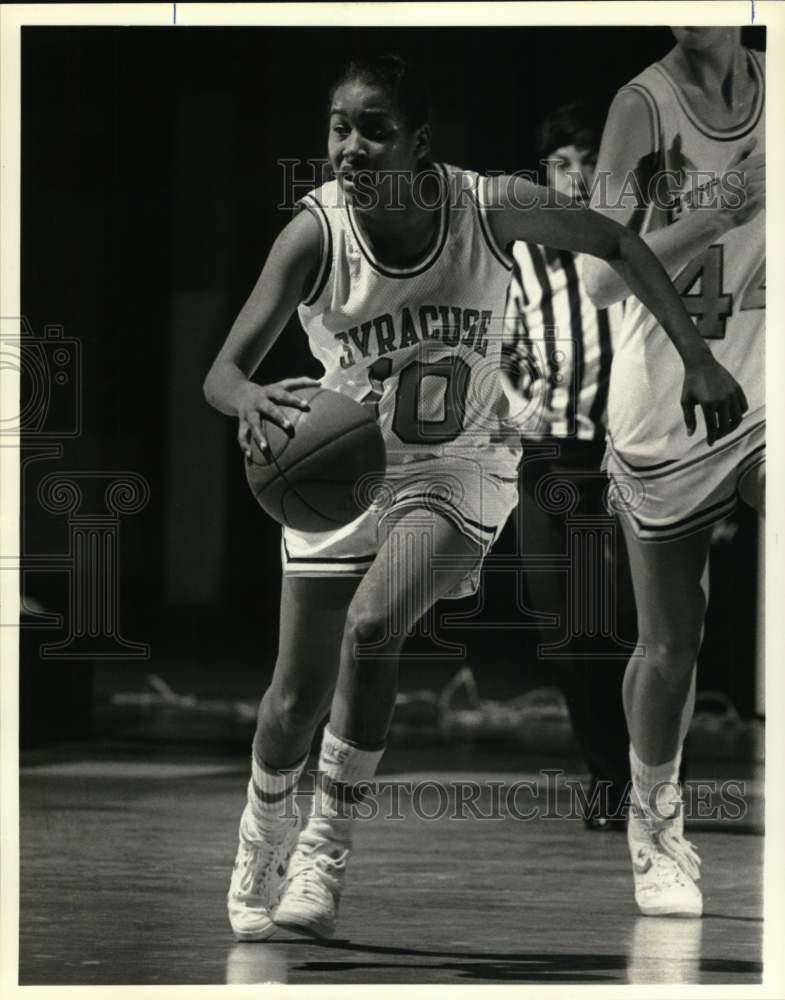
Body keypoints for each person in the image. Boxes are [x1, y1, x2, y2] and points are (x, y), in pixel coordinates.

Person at [203, 53, 747, 942]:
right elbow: (221, 374)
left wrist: (694, 355)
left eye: (375, 128)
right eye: (339, 126)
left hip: (460, 466)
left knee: (373, 629)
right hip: (341, 467)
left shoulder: (485, 206)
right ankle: (262, 832)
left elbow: (616, 241)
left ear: (419, 142)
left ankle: (323, 856)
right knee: (290, 701)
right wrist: (251, 399)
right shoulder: (314, 235)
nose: (351, 146)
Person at [582, 27, 764, 916]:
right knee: (669, 643)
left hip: (762, 380)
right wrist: (723, 207)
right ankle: (653, 824)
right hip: (667, 393)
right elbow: (599, 276)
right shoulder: (639, 106)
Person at [502, 100, 634, 830]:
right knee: (560, 626)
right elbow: (505, 346)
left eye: (587, 159)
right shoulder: (522, 252)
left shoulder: (623, 245)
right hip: (546, 452)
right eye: (561, 163)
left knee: (610, 625)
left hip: (616, 453)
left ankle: (628, 775)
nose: (576, 175)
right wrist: (518, 399)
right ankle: (607, 773)